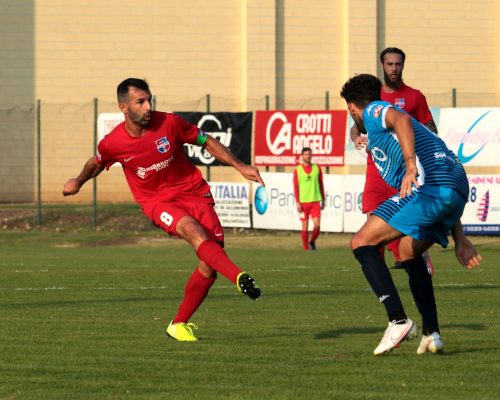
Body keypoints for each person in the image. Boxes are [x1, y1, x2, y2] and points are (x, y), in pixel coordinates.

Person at [63, 78, 264, 342]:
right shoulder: (114, 142)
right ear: (124, 108)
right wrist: (78, 181)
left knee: (209, 263)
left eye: (149, 99)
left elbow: (205, 141)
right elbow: (97, 162)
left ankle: (178, 324)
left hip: (194, 192)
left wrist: (239, 165)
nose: (148, 106)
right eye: (141, 101)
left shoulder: (169, 123)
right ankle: (239, 277)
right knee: (192, 231)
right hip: (157, 201)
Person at [340, 74, 482, 356]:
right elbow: (442, 174)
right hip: (455, 187)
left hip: (431, 187)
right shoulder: (387, 134)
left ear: (353, 107)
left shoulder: (373, 111)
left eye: (349, 109)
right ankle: (432, 333)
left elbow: (401, 121)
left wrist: (409, 167)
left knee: (361, 242)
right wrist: (460, 237)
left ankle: (398, 320)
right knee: (406, 252)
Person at [351, 47, 437, 272]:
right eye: (390, 64)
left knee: (406, 226)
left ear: (403, 65)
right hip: (375, 171)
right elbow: (356, 127)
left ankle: (418, 258)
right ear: (382, 66)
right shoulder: (372, 96)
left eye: (398, 64)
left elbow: (430, 129)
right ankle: (379, 280)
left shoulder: (415, 97)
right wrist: (356, 139)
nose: (394, 68)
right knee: (372, 227)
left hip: (401, 172)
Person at [292, 147, 325, 250]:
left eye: (309, 154)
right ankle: (306, 249)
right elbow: (296, 187)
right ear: (302, 156)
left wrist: (323, 199)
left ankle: (312, 241)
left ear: (311, 155)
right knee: (304, 226)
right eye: (305, 154)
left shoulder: (317, 168)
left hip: (315, 201)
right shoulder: (297, 170)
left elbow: (321, 184)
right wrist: (297, 202)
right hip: (303, 202)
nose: (308, 156)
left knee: (317, 226)